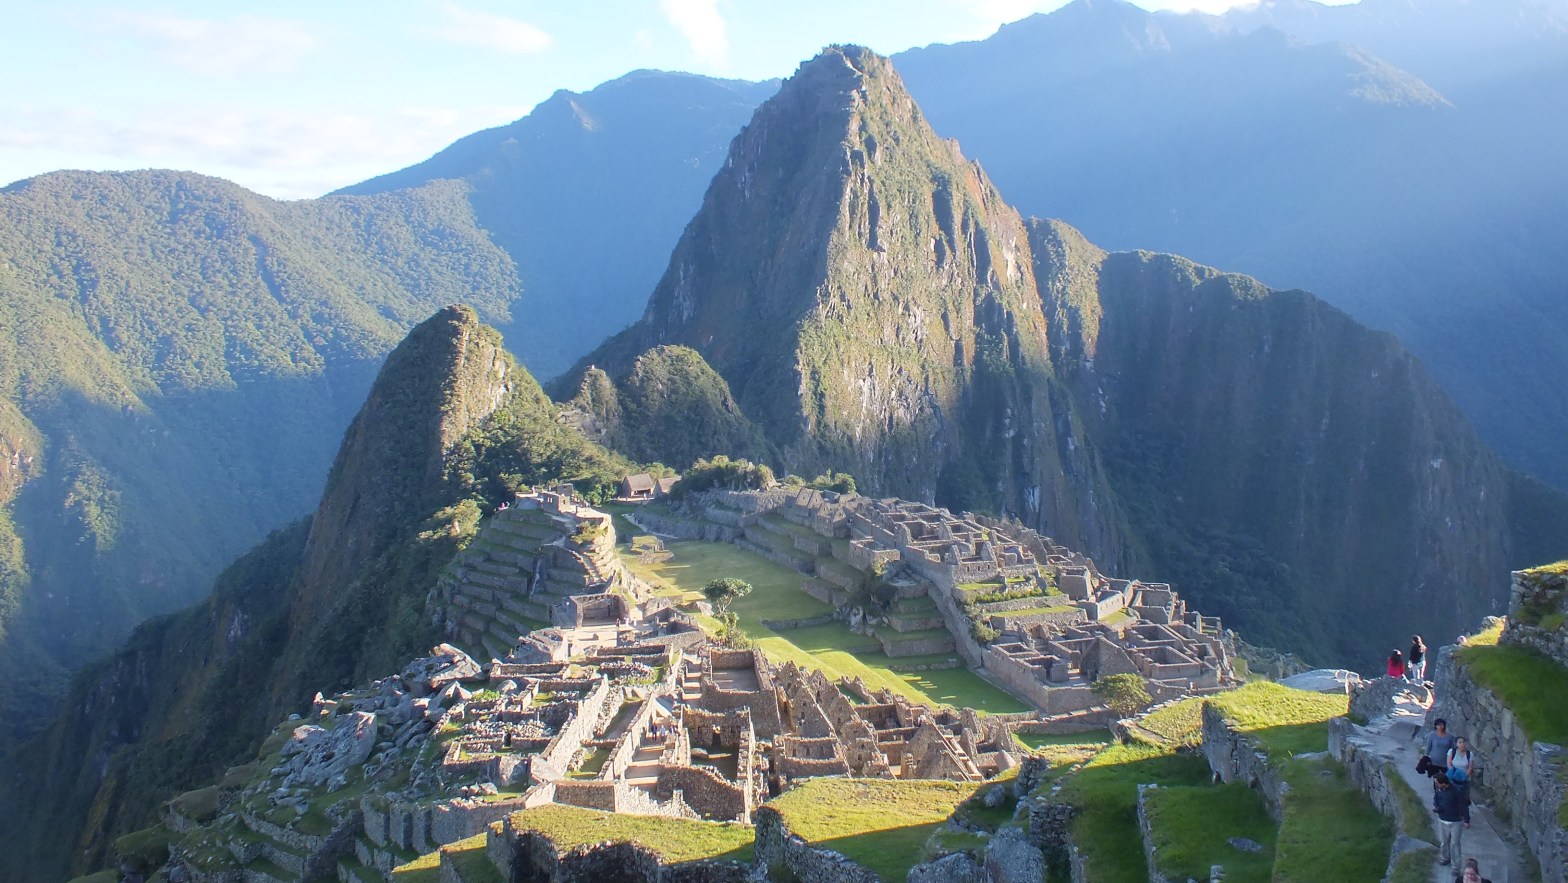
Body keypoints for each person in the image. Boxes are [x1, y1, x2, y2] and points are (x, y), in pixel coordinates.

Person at [1432, 772, 1471, 866]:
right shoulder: (1439, 790)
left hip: (1455, 822)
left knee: (1455, 844)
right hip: (1442, 820)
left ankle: (1456, 866)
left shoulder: (1457, 791)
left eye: (1437, 783)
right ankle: (1445, 858)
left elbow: (1463, 806)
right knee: (1444, 843)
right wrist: (1437, 808)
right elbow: (1436, 800)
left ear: (1443, 783)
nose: (1436, 785)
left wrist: (1467, 820)